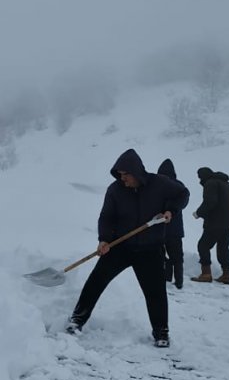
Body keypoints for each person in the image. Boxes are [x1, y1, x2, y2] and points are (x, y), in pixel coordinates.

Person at [67, 149, 190, 348]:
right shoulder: (115, 190)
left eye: (125, 175)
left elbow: (183, 193)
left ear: (136, 172)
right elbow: (106, 216)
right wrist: (104, 240)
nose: (122, 179)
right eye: (120, 175)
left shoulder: (159, 184)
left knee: (156, 292)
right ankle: (77, 319)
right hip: (120, 246)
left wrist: (171, 210)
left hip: (150, 249)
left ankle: (161, 333)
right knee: (96, 282)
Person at [190, 166, 229, 285]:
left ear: (204, 176)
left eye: (200, 177)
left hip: (216, 222)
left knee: (203, 246)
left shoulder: (210, 183)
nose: (199, 180)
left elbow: (210, 202)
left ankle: (206, 274)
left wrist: (198, 213)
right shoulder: (228, 184)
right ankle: (227, 275)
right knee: (223, 248)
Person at [156, 159, 185, 290]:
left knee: (163, 255)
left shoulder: (158, 185)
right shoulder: (179, 185)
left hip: (161, 228)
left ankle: (167, 278)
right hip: (176, 229)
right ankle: (179, 281)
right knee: (177, 257)